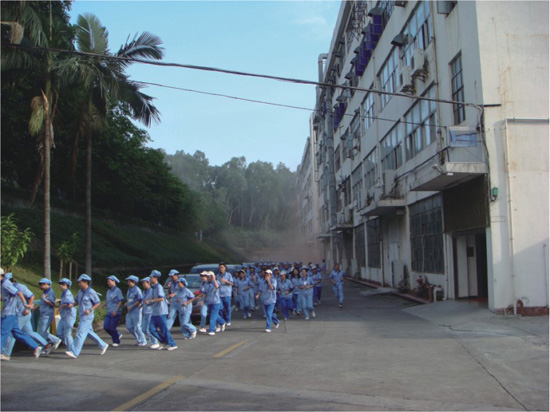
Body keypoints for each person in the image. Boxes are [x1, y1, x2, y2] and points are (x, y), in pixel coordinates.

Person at [1, 272, 44, 360]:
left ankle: (3, 353)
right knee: (17, 333)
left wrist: (25, 305)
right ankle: (36, 346)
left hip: (9, 313)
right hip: (12, 313)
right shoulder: (3, 284)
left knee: (3, 333)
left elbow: (19, 293)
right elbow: (8, 296)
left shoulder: (6, 283)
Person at [65, 274, 109, 359]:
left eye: (80, 282)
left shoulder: (91, 292)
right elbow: (77, 301)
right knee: (88, 333)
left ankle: (75, 352)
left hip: (88, 316)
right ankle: (103, 345)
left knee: (80, 333)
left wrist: (90, 309)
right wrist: (72, 304)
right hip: (82, 315)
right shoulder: (80, 291)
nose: (79, 284)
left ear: (86, 282)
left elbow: (97, 302)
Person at [145, 270, 177, 350]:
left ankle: (172, 344)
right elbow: (154, 297)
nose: (150, 279)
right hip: (155, 312)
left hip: (161, 312)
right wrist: (149, 300)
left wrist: (151, 301)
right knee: (151, 329)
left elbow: (161, 298)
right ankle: (164, 342)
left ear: (155, 278)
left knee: (164, 329)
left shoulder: (159, 287)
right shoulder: (153, 288)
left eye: (151, 277)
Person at [36, 278, 63, 353]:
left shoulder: (50, 292)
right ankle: (55, 340)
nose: (41, 286)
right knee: (42, 331)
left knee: (42, 332)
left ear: (48, 284)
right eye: (40, 284)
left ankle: (44, 347)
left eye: (43, 284)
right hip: (43, 313)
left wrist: (44, 299)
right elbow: (43, 303)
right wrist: (37, 307)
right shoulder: (45, 292)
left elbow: (52, 303)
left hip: (47, 314)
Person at [100, 276, 124, 347]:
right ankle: (117, 335)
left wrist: (116, 310)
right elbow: (108, 301)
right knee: (106, 327)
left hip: (116, 312)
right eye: (108, 281)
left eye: (110, 281)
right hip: (109, 312)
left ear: (114, 281)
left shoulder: (118, 290)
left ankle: (116, 341)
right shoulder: (108, 291)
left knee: (112, 327)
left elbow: (120, 301)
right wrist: (102, 306)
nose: (108, 283)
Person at [56, 278, 76, 354]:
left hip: (69, 316)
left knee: (67, 334)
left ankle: (71, 350)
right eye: (60, 284)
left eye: (63, 284)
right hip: (64, 316)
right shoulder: (64, 293)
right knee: (59, 332)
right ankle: (69, 345)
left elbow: (69, 304)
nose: (61, 286)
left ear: (67, 285)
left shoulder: (68, 293)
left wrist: (60, 307)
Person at [125, 275, 147, 347]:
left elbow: (140, 300)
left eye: (129, 282)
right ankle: (138, 339)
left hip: (136, 311)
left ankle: (143, 340)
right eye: (128, 282)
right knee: (129, 326)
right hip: (129, 311)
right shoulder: (129, 290)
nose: (128, 283)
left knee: (137, 326)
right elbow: (130, 299)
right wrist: (127, 303)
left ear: (134, 282)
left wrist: (133, 306)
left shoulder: (137, 290)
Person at [140, 277, 160, 349]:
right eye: (143, 283)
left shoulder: (152, 290)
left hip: (151, 312)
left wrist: (149, 300)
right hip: (145, 312)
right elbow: (143, 300)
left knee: (149, 329)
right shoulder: (144, 291)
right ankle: (154, 341)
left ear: (149, 283)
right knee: (143, 329)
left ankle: (155, 342)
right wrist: (142, 304)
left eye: (144, 283)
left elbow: (156, 298)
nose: (143, 285)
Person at [203, 271, 225, 336]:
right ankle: (222, 322)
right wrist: (202, 300)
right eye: (207, 277)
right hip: (209, 301)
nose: (208, 278)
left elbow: (217, 286)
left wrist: (214, 279)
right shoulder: (206, 283)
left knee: (213, 316)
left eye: (209, 276)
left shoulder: (216, 282)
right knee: (213, 315)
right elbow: (205, 292)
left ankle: (211, 330)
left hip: (216, 302)